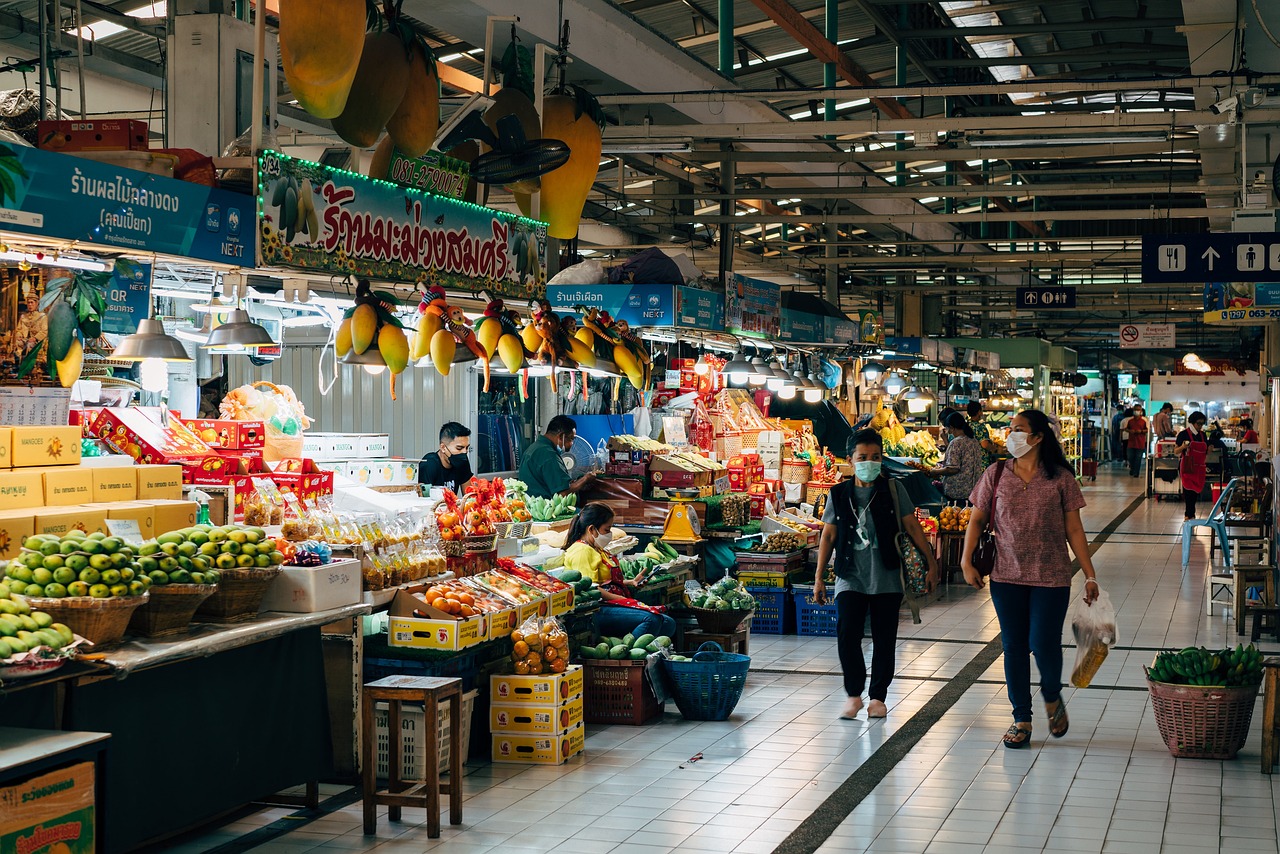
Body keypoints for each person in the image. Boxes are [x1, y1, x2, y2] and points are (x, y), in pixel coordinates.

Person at [960, 409, 1100, 749]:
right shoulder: (995, 473)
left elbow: (1074, 528)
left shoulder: (1061, 478)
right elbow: (976, 520)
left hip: (1051, 576)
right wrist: (966, 561)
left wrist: (1090, 575)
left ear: (1037, 437)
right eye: (1011, 430)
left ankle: (1051, 694)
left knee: (1044, 642)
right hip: (1006, 576)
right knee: (1014, 646)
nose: (1011, 436)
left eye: (1018, 430)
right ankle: (1021, 717)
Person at [815, 428, 939, 720]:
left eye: (875, 457)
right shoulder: (839, 493)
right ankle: (854, 694)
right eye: (863, 457)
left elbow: (912, 527)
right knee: (847, 635)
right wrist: (820, 576)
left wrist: (931, 562)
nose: (869, 462)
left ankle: (878, 697)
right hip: (850, 576)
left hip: (887, 576)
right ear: (850, 460)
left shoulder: (894, 490)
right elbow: (828, 536)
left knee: (885, 639)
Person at [561, 502, 676, 640]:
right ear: (591, 529)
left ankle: (646, 654)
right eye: (607, 529)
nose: (609, 534)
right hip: (596, 610)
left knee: (669, 623)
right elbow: (592, 590)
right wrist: (622, 599)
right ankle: (625, 655)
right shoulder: (582, 551)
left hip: (610, 604)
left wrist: (629, 583)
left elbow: (605, 582)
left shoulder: (597, 549)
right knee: (651, 619)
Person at [517, 415, 597, 499]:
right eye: (571, 439)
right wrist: (586, 479)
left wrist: (576, 483)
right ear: (560, 436)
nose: (572, 444)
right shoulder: (548, 454)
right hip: (546, 507)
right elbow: (562, 494)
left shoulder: (535, 448)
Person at [913, 412, 984, 503]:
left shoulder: (956, 443)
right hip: (974, 491)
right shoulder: (973, 441)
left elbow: (952, 469)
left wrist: (935, 471)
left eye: (947, 428)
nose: (948, 431)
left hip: (958, 492)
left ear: (952, 427)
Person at [418, 422, 474, 493]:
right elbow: (423, 499)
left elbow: (469, 496)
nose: (464, 452)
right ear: (443, 447)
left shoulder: (462, 461)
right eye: (459, 448)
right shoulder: (429, 465)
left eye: (467, 448)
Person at [1175, 411, 1209, 521]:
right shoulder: (1183, 434)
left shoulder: (1203, 435)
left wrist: (1210, 449)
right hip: (1187, 467)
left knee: (1195, 491)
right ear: (1192, 422)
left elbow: (1205, 451)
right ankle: (1188, 514)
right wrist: (1184, 446)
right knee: (1188, 491)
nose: (1200, 426)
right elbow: (1176, 451)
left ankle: (1191, 514)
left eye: (1202, 424)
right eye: (1198, 423)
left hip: (1199, 468)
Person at [14, 293, 47, 357]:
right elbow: (19, 330)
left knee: (30, 344)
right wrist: (19, 335)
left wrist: (35, 338)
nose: (30, 305)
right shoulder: (23, 317)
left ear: (36, 304)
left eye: (32, 303)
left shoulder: (42, 316)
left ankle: (30, 365)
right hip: (25, 339)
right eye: (28, 303)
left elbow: (44, 331)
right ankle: (19, 363)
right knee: (18, 343)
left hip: (38, 341)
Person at [967, 401, 996, 467]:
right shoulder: (980, 427)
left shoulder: (966, 425)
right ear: (979, 412)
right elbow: (985, 444)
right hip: (981, 462)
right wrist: (994, 448)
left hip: (970, 461)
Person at [1124, 405, 1148, 478]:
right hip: (1131, 442)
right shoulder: (1130, 421)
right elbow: (1126, 429)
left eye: (1138, 410)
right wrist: (1130, 431)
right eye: (1135, 410)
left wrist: (1140, 431)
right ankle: (1132, 468)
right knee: (1130, 457)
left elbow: (1147, 430)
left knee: (1138, 458)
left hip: (1140, 442)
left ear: (1141, 411)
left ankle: (1136, 472)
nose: (1137, 411)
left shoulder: (1144, 421)